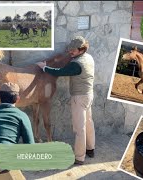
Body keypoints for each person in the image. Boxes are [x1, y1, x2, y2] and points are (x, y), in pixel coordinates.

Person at [36, 36, 95, 165]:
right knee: (89, 122)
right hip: (89, 95)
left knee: (79, 128)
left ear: (81, 49)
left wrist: (45, 67)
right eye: (70, 50)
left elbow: (60, 72)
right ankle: (90, 149)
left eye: (73, 50)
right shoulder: (89, 58)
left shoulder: (77, 64)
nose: (70, 52)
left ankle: (79, 157)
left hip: (79, 97)